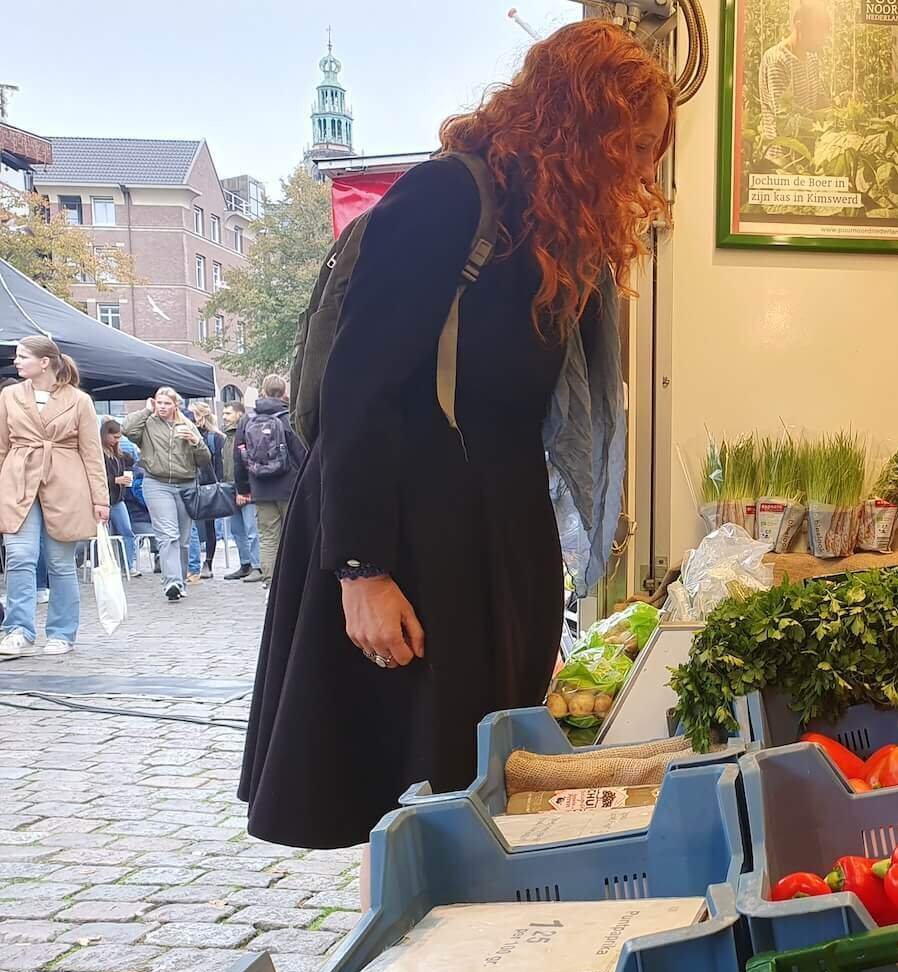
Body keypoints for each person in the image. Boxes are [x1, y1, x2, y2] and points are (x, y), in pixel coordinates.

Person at [240, 20, 675, 849]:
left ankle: (458, 946)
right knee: (403, 790)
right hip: (403, 533)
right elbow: (357, 387)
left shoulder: (559, 235)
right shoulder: (449, 197)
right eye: (635, 142)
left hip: (494, 529)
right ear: (577, 122)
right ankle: (408, 952)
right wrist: (361, 570)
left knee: (475, 780)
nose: (644, 167)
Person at [0, 335, 110, 656]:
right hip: (18, 480)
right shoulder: (9, 396)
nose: (16, 362)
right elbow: (2, 447)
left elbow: (92, 453)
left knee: (60, 562)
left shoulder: (79, 400)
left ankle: (62, 632)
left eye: (23, 357)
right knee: (19, 557)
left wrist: (100, 499)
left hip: (66, 483)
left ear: (44, 362)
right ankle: (18, 629)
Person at [122, 387, 213, 602]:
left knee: (182, 539)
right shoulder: (148, 424)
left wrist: (196, 442)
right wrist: (146, 411)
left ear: (175, 405)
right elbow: (126, 429)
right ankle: (171, 581)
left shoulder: (187, 425)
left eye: (166, 403)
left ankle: (179, 580)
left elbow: (205, 459)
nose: (162, 407)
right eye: (159, 402)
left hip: (185, 484)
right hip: (157, 483)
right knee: (168, 535)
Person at [234, 375, 304, 586]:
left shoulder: (247, 420)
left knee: (267, 537)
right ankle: (293, 582)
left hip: (261, 487)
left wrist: (243, 488)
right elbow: (301, 452)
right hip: (289, 487)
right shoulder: (289, 418)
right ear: (284, 392)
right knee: (293, 534)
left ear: (262, 392)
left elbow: (238, 457)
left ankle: (271, 583)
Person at [757, 0, 832, 168]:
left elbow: (819, 99)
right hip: (781, 162)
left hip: (804, 157)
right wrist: (820, 125)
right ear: (800, 26)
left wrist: (839, 112)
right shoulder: (778, 60)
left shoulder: (812, 58)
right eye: (818, 34)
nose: (822, 40)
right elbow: (784, 120)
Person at [221, 399, 261, 580]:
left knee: (252, 529)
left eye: (228, 413)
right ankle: (245, 564)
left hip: (245, 487)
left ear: (239, 413)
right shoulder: (226, 436)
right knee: (237, 530)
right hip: (230, 485)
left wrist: (244, 489)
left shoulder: (247, 432)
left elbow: (245, 463)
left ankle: (257, 566)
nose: (224, 417)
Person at [185, 401, 225, 580]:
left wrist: (217, 484)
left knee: (209, 526)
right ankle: (191, 564)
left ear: (201, 416)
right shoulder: (185, 434)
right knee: (190, 524)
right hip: (190, 483)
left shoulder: (215, 437)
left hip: (208, 484)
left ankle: (208, 562)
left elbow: (218, 464)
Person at [101, 419, 140, 576]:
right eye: (115, 437)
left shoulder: (117, 454)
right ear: (106, 435)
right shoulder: (99, 453)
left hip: (117, 499)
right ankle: (105, 564)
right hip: (104, 498)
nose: (117, 440)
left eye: (119, 437)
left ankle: (128, 565)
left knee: (127, 531)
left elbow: (132, 460)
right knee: (103, 535)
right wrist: (114, 480)